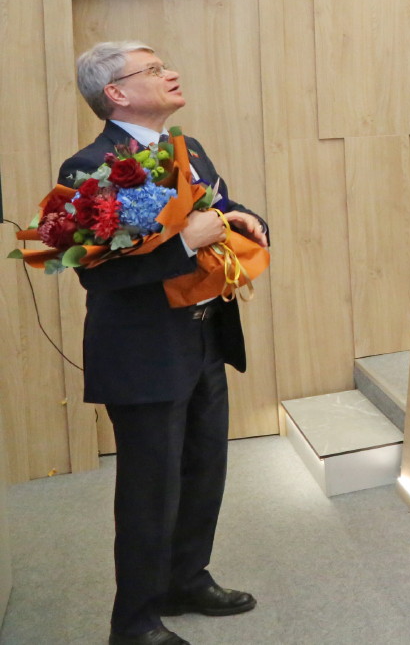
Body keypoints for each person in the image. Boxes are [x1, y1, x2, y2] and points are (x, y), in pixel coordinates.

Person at [63, 42, 268, 645]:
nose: (171, 73)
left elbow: (217, 209)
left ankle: (186, 580)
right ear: (116, 93)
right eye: (153, 69)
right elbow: (96, 274)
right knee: (151, 489)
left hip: (204, 336)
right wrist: (183, 244)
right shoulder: (88, 167)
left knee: (204, 471)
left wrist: (242, 217)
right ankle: (134, 623)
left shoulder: (188, 148)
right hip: (142, 352)